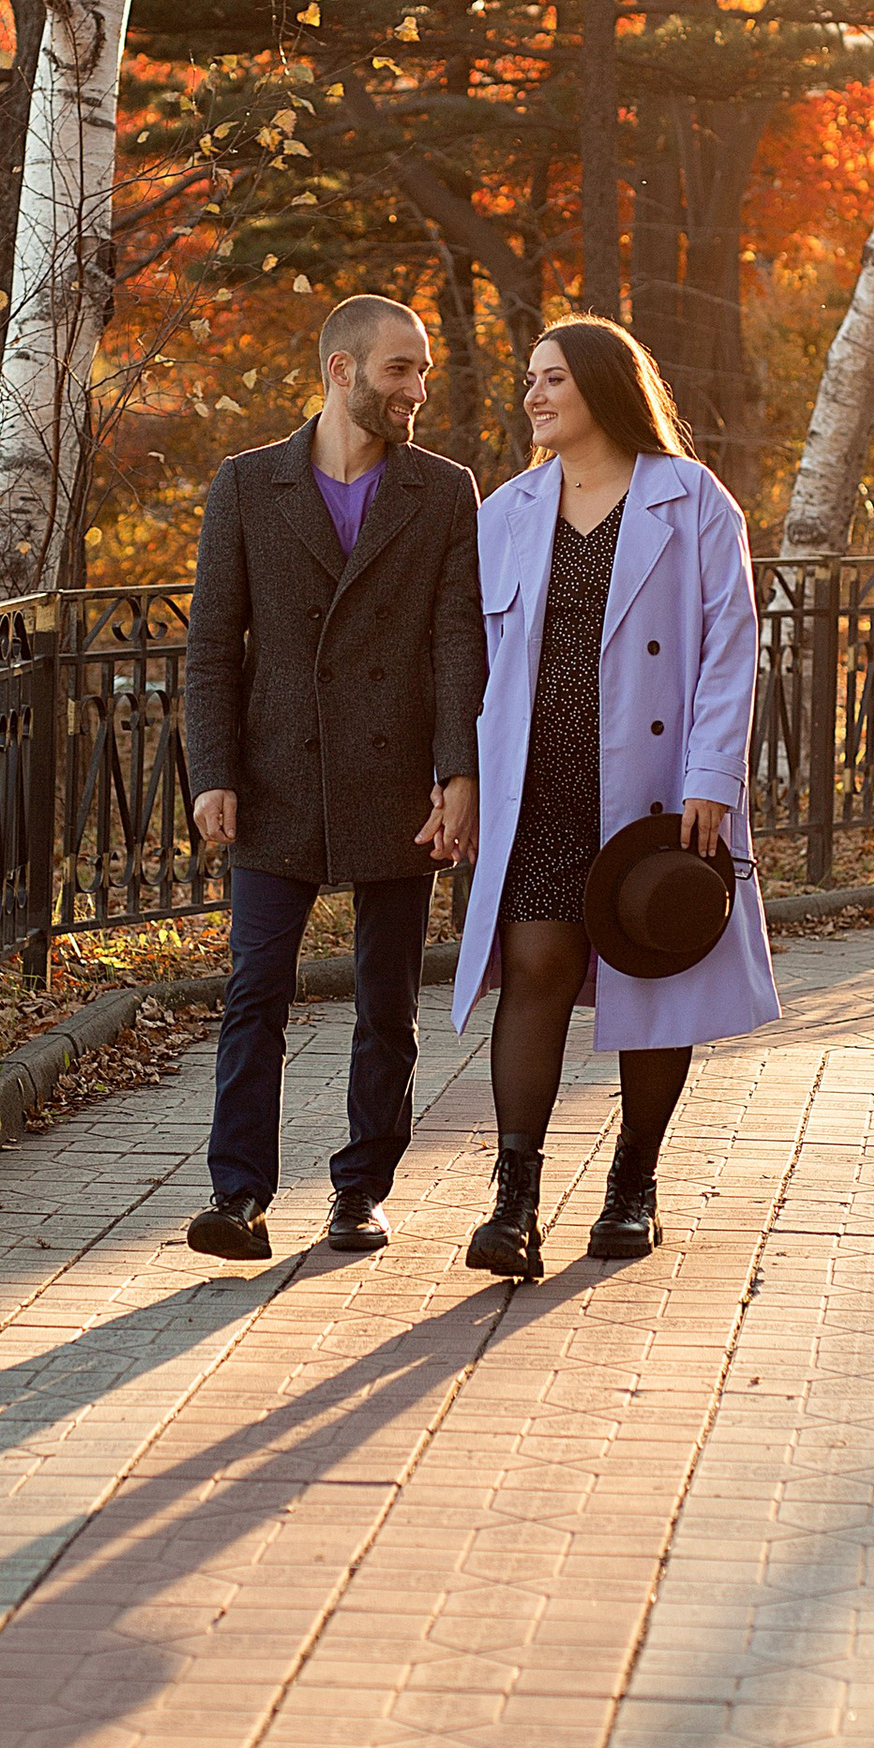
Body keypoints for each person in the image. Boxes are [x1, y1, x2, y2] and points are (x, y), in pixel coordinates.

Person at [451, 317, 779, 1282]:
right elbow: (474, 660)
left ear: (603, 384)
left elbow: (732, 645)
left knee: (654, 969)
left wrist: (712, 778)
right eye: (529, 378)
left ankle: (634, 1184)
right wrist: (461, 779)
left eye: (552, 378)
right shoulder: (508, 510)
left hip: (655, 788)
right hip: (539, 782)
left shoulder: (694, 499)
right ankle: (514, 1203)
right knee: (536, 964)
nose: (534, 394)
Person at [183, 294, 485, 1264]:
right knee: (254, 991)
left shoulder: (444, 490)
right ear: (341, 370)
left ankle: (359, 1192)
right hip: (277, 774)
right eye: (401, 368)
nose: (418, 389)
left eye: (423, 370)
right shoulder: (246, 484)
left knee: (385, 1001)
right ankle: (238, 1195)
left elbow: (457, 642)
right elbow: (211, 645)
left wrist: (460, 771)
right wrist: (213, 770)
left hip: (397, 779)